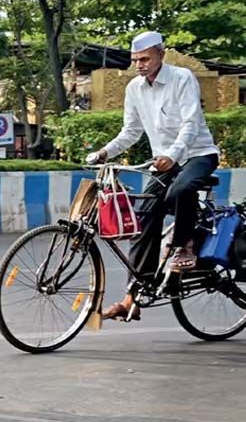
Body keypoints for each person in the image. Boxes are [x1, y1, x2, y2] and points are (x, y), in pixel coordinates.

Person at [87, 31, 219, 321]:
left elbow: (191, 124)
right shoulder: (134, 88)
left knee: (180, 191)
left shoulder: (182, 78)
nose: (140, 65)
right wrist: (104, 152)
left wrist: (173, 154)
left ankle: (185, 246)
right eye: (136, 60)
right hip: (162, 162)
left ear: (161, 54)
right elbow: (131, 131)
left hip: (197, 154)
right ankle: (132, 297)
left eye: (145, 58)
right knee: (144, 216)